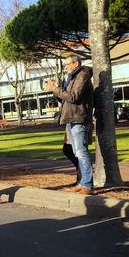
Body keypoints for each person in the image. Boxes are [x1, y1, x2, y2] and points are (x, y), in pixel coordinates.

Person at [45, 54, 94, 195]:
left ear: (76, 63)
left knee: (81, 152)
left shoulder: (83, 75)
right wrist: (57, 90)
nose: (65, 67)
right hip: (71, 118)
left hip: (79, 118)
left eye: (67, 64)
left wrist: (56, 90)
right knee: (76, 152)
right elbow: (66, 100)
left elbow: (74, 97)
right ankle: (82, 182)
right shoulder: (72, 77)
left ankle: (88, 185)